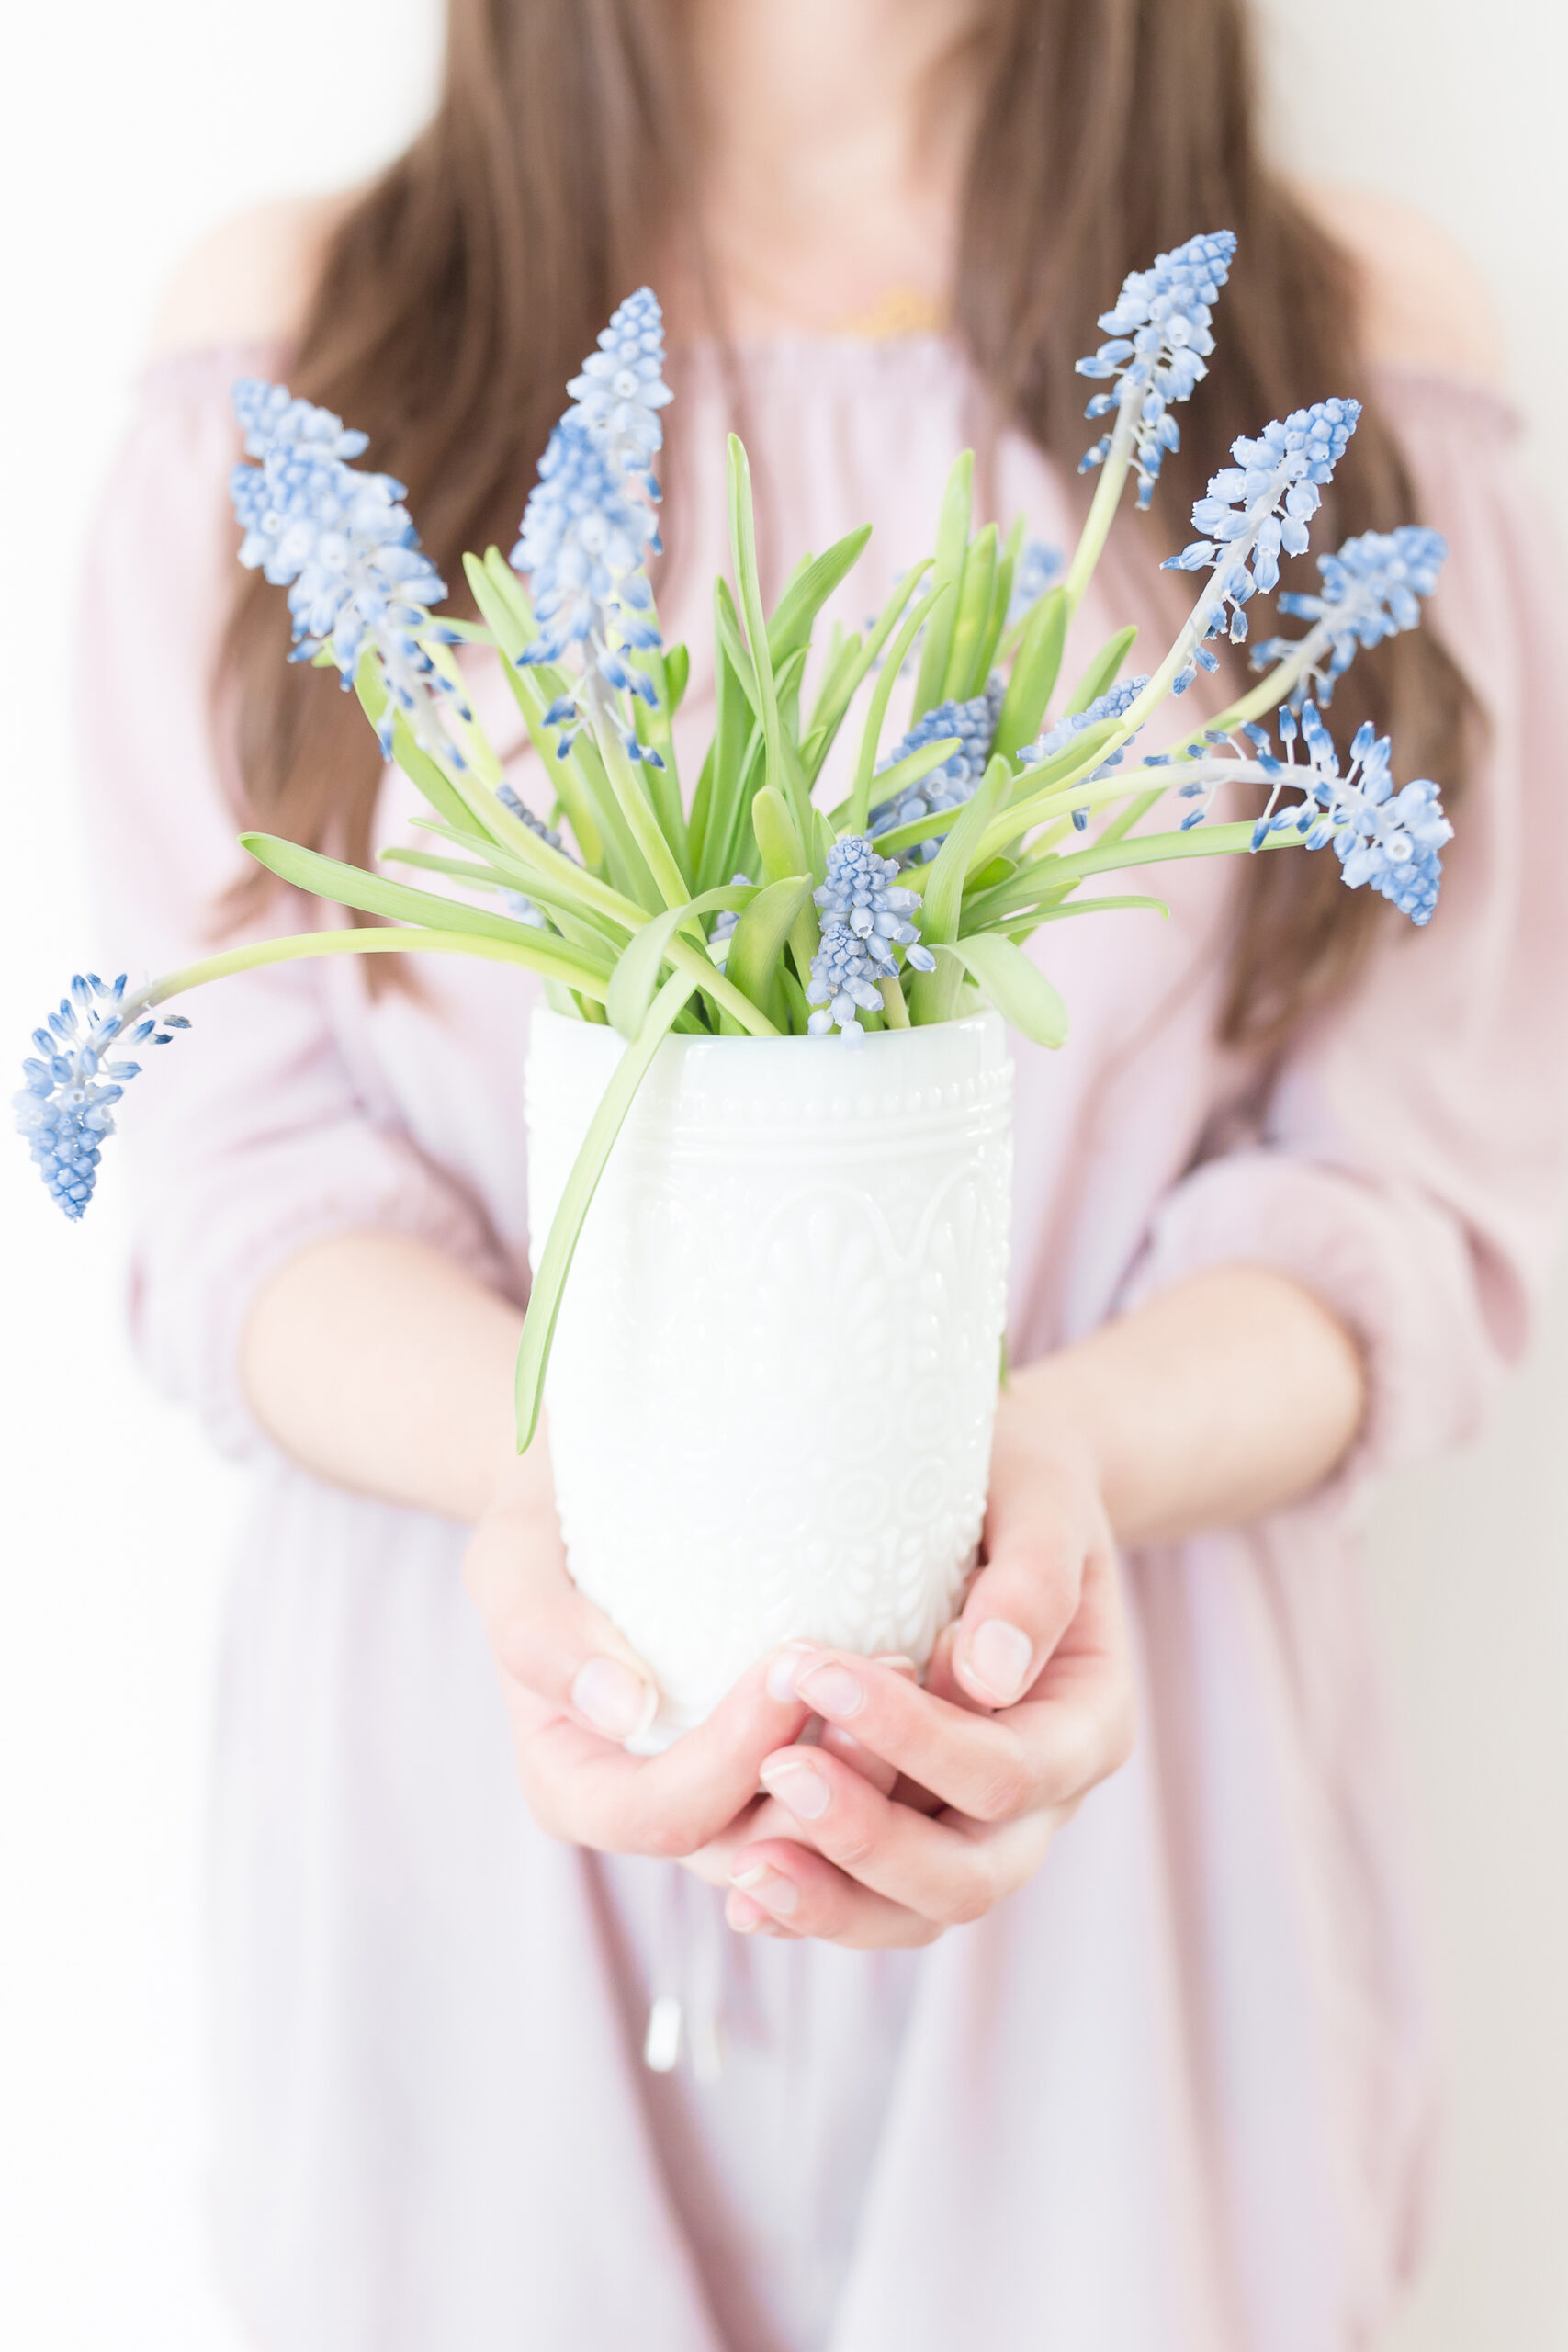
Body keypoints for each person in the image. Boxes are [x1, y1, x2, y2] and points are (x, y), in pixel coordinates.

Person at [82, 1, 1567, 2346]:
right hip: (467, 1856)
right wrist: (584, 1494)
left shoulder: (1346, 350)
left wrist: (1038, 1466)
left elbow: (1406, 1189)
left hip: (1130, 1848)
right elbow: (225, 1164)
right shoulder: (304, 347)